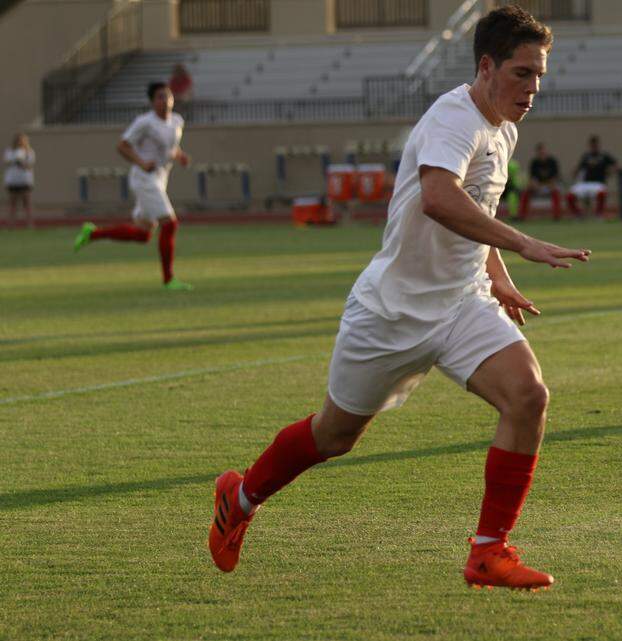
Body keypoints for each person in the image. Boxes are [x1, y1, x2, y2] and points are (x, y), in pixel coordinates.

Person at [206, 6, 591, 589]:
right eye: (521, 73)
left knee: (528, 396)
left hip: (462, 304)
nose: (533, 87)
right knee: (333, 436)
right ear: (486, 67)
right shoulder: (452, 118)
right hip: (392, 312)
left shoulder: (504, 128)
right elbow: (439, 197)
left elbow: (475, 211)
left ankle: (488, 552)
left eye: (539, 74)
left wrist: (497, 274)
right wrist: (522, 243)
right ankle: (242, 496)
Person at [72, 82, 192, 290]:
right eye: (160, 97)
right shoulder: (144, 122)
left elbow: (169, 148)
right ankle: (169, 279)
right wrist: (142, 163)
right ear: (152, 101)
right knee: (170, 224)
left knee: (143, 234)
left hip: (160, 179)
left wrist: (179, 156)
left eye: (168, 96)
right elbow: (122, 146)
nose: (165, 101)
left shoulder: (177, 121)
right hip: (144, 179)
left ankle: (92, 233)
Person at [568, 135, 618, 218]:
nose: (594, 147)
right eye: (592, 145)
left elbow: (616, 165)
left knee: (602, 193)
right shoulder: (586, 156)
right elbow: (579, 168)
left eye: (595, 145)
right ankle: (578, 215)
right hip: (586, 183)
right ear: (590, 145)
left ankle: (598, 214)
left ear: (598, 145)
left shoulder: (604, 156)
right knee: (570, 196)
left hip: (599, 183)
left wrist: (610, 171)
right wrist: (574, 172)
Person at [518, 142, 562, 221]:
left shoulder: (552, 162)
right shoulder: (534, 163)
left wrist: (550, 184)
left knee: (556, 191)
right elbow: (532, 178)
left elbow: (556, 177)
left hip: (549, 186)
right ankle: (522, 215)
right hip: (538, 186)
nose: (542, 154)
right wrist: (534, 185)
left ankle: (557, 216)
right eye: (540, 152)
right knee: (526, 192)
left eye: (543, 152)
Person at [4, 133, 34, 227]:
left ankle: (29, 224)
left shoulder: (29, 152)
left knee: (27, 203)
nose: (20, 142)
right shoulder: (10, 151)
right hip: (13, 180)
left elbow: (29, 166)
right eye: (18, 140)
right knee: (12, 203)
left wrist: (21, 162)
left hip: (25, 180)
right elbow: (7, 162)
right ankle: (11, 224)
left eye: (22, 140)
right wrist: (15, 159)